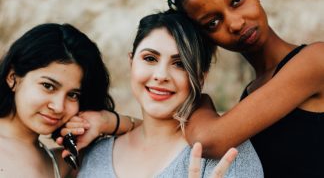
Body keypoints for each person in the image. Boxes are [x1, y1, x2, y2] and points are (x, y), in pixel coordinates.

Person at [167, 0, 324, 177]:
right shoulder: (250, 94)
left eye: (237, 0)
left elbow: (208, 141)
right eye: (212, 22)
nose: (235, 23)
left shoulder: (315, 60)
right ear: (205, 37)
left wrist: (199, 99)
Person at [77, 11, 263, 178]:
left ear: (200, 78)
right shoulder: (96, 154)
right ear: (131, 61)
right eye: (150, 58)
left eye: (179, 64)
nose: (161, 76)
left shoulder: (228, 153)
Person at [0, 23, 115, 178]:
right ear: (12, 77)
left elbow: (153, 137)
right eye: (48, 86)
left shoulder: (60, 163)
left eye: (73, 95)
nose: (59, 107)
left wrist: (106, 121)